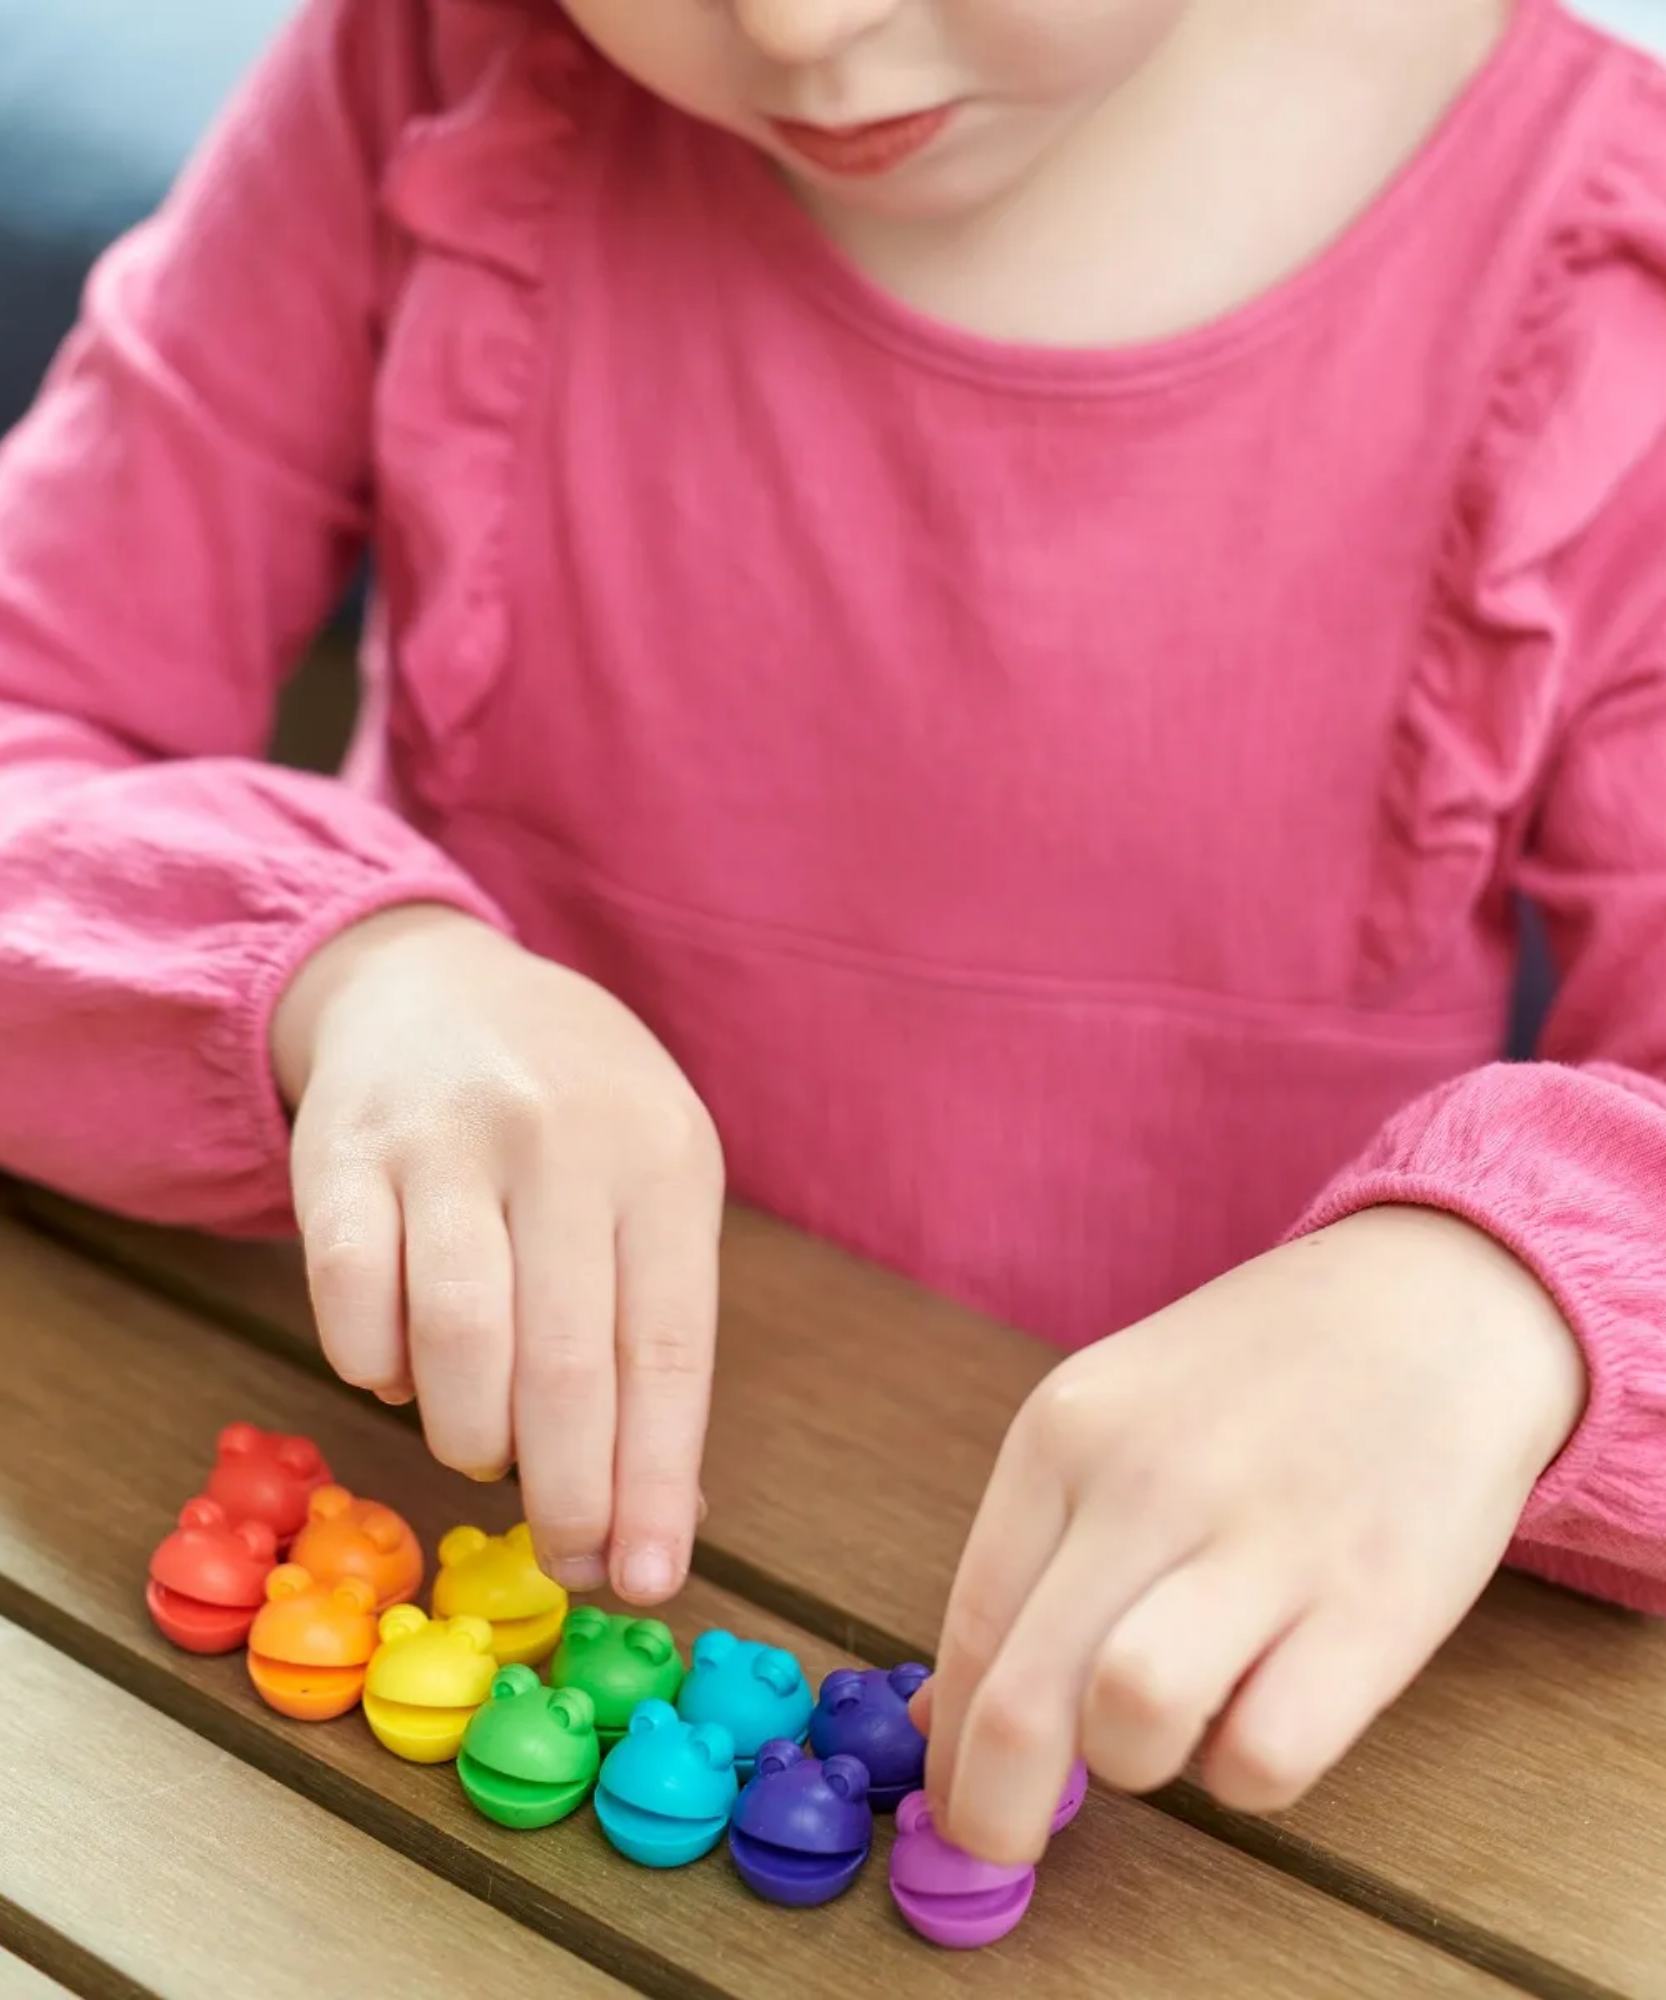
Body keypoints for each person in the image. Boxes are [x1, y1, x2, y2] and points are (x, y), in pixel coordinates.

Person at [1, 0, 1663, 1868]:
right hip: (445, 1595)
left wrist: (1505, 1302)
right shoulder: (428, 61)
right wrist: (339, 973)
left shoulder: (1607, 259)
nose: (798, 21)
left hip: (1204, 1803)